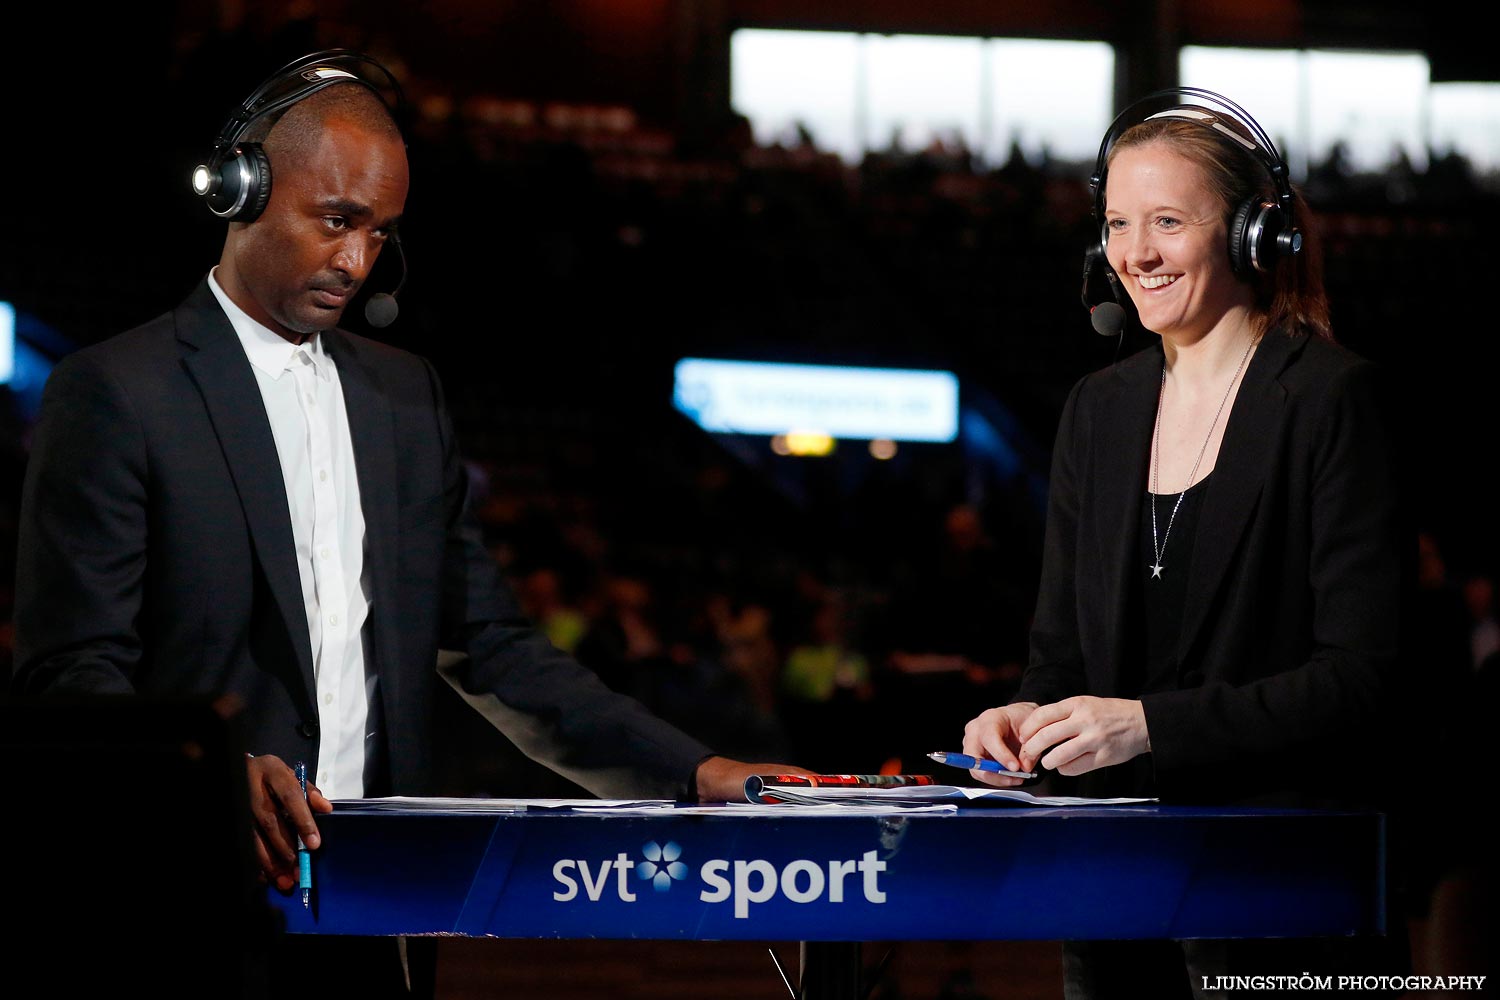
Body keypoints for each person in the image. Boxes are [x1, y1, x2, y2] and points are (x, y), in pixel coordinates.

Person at [9, 49, 801, 997]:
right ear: (241, 190)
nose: (356, 260)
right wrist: (205, 769)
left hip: (376, 910)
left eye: (379, 233)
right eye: (335, 221)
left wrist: (691, 770)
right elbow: (69, 670)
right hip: (178, 906)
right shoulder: (115, 392)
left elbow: (493, 646)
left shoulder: (402, 396)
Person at [959, 89, 1408, 997]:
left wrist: (1148, 725)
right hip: (1110, 881)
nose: (1135, 254)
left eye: (1167, 221)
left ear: (1256, 236)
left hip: (1272, 889)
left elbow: (1362, 678)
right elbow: (1060, 656)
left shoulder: (1330, 399)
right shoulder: (1099, 409)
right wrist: (1023, 721)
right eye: (1119, 222)